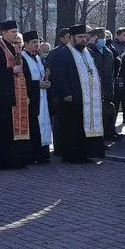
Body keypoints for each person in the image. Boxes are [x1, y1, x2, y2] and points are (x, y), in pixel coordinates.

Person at [48, 24, 105, 164]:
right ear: (71, 38)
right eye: (80, 37)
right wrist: (66, 92)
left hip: (87, 98)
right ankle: (72, 155)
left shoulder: (88, 53)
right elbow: (59, 75)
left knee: (83, 128)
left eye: (85, 37)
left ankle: (87, 153)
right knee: (72, 128)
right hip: (71, 98)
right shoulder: (63, 53)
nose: (83, 40)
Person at [0, 21, 31, 170]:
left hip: (16, 97)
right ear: (4, 33)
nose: (15, 34)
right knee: (2, 130)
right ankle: (3, 159)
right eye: (12, 31)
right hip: (1, 100)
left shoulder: (16, 50)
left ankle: (17, 158)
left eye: (16, 31)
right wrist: (11, 71)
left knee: (13, 130)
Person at [22, 31, 52, 164]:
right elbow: (23, 80)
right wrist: (38, 84)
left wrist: (46, 82)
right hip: (31, 97)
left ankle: (43, 153)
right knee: (34, 125)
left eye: (38, 42)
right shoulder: (22, 58)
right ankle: (33, 153)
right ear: (26, 44)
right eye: (33, 42)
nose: (37, 45)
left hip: (42, 96)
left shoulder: (38, 58)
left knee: (44, 122)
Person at [89, 28, 118, 142]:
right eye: (101, 37)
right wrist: (91, 45)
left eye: (104, 37)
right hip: (97, 88)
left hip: (107, 86)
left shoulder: (108, 52)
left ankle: (107, 135)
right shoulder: (91, 51)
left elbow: (112, 71)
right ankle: (99, 139)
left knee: (107, 114)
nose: (103, 40)